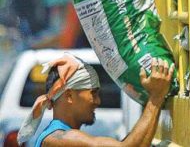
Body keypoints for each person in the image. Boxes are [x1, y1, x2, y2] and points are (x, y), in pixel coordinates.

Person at [18, 54, 173, 147]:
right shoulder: (57, 139)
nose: (97, 101)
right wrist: (156, 97)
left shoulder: (62, 136)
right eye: (93, 93)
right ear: (70, 95)